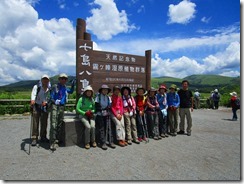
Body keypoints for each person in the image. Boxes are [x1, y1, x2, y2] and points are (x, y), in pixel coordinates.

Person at [49, 73, 75, 151]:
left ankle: (57, 139)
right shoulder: (55, 87)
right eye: (62, 78)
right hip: (54, 106)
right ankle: (52, 142)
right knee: (53, 123)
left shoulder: (65, 87)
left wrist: (73, 85)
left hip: (62, 107)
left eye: (65, 79)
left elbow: (70, 91)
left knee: (59, 123)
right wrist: (54, 101)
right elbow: (51, 97)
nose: (63, 80)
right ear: (59, 79)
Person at [30, 75, 51, 146]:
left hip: (45, 107)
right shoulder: (37, 87)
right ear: (41, 80)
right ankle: (34, 138)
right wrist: (32, 100)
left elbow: (50, 97)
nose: (45, 80)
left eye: (46, 79)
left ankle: (43, 137)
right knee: (35, 122)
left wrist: (46, 102)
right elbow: (33, 94)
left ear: (48, 80)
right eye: (44, 79)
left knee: (44, 122)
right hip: (37, 106)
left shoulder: (49, 88)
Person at [95, 84, 116, 150]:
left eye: (106, 90)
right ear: (101, 90)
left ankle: (111, 141)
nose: (105, 91)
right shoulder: (98, 97)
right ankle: (103, 143)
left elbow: (110, 105)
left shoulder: (108, 97)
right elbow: (96, 105)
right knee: (102, 128)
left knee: (109, 127)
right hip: (99, 114)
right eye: (104, 90)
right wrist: (101, 110)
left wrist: (108, 109)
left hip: (107, 114)